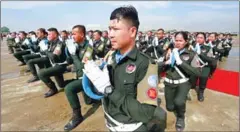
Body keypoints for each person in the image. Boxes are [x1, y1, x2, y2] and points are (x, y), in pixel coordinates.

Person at [83, 6, 166, 132]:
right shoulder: (111, 56)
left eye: (115, 29)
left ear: (132, 32)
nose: (110, 34)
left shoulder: (146, 64)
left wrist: (108, 89)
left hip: (130, 127)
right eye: (109, 29)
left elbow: (146, 113)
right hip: (111, 121)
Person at [158, 31, 201, 131]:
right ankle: (178, 106)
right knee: (169, 107)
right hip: (169, 83)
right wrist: (165, 62)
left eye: (180, 40)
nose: (177, 42)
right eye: (176, 40)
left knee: (179, 102)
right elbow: (158, 66)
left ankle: (181, 117)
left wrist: (181, 62)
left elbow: (197, 73)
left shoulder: (191, 54)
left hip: (183, 83)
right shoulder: (168, 52)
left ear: (186, 42)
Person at [63, 25, 96, 131]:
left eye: (74, 34)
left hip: (88, 76)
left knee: (69, 88)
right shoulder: (76, 45)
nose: (72, 36)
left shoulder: (89, 47)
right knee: (88, 102)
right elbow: (69, 61)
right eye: (71, 33)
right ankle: (94, 96)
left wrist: (73, 55)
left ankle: (77, 117)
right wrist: (68, 51)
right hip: (80, 75)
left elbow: (82, 66)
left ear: (82, 34)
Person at [38, 28, 67, 98]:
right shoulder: (51, 43)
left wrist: (45, 50)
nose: (47, 36)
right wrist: (42, 48)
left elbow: (53, 57)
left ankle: (53, 89)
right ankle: (76, 81)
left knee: (41, 73)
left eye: (49, 34)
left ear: (55, 35)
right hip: (54, 65)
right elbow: (44, 53)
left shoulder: (60, 44)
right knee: (62, 85)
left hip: (60, 66)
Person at [189, 32, 215, 102]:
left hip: (205, 66)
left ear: (204, 39)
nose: (199, 39)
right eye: (198, 37)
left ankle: (201, 92)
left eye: (201, 38)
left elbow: (210, 60)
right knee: (192, 80)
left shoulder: (208, 48)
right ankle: (192, 86)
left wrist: (201, 54)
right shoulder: (192, 46)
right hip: (194, 66)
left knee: (203, 78)